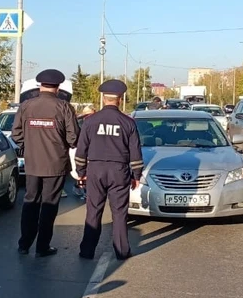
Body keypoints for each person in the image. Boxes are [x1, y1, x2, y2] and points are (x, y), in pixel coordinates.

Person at [12, 69, 80, 257]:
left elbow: (16, 134)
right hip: (55, 165)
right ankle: (42, 246)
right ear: (58, 87)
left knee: (30, 201)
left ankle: (24, 244)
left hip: (32, 163)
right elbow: (74, 137)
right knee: (49, 205)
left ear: (39, 86)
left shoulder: (26, 106)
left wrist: (30, 147)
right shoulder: (64, 107)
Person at [75, 79, 144, 261]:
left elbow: (81, 149)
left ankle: (87, 251)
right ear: (120, 99)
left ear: (103, 98)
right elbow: (135, 153)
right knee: (120, 213)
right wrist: (136, 175)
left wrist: (81, 172)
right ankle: (122, 251)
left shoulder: (91, 122)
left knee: (93, 211)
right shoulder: (128, 122)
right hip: (119, 171)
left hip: (95, 170)